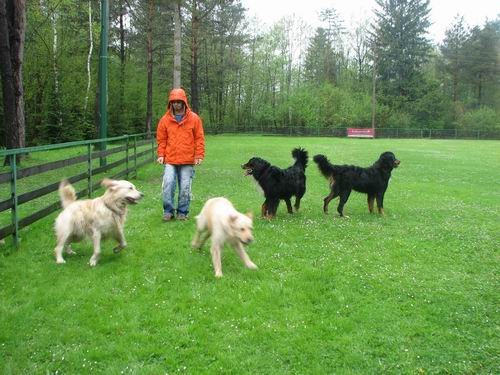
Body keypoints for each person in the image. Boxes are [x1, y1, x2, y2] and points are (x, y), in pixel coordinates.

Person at [156, 88, 205, 221]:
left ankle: (182, 212)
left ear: (184, 102)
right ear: (170, 103)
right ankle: (168, 211)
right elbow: (161, 140)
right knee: (168, 183)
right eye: (174, 102)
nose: (176, 104)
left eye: (179, 101)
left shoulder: (194, 119)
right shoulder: (164, 120)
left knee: (185, 187)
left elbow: (199, 138)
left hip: (187, 160)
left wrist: (199, 155)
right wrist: (161, 154)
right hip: (170, 159)